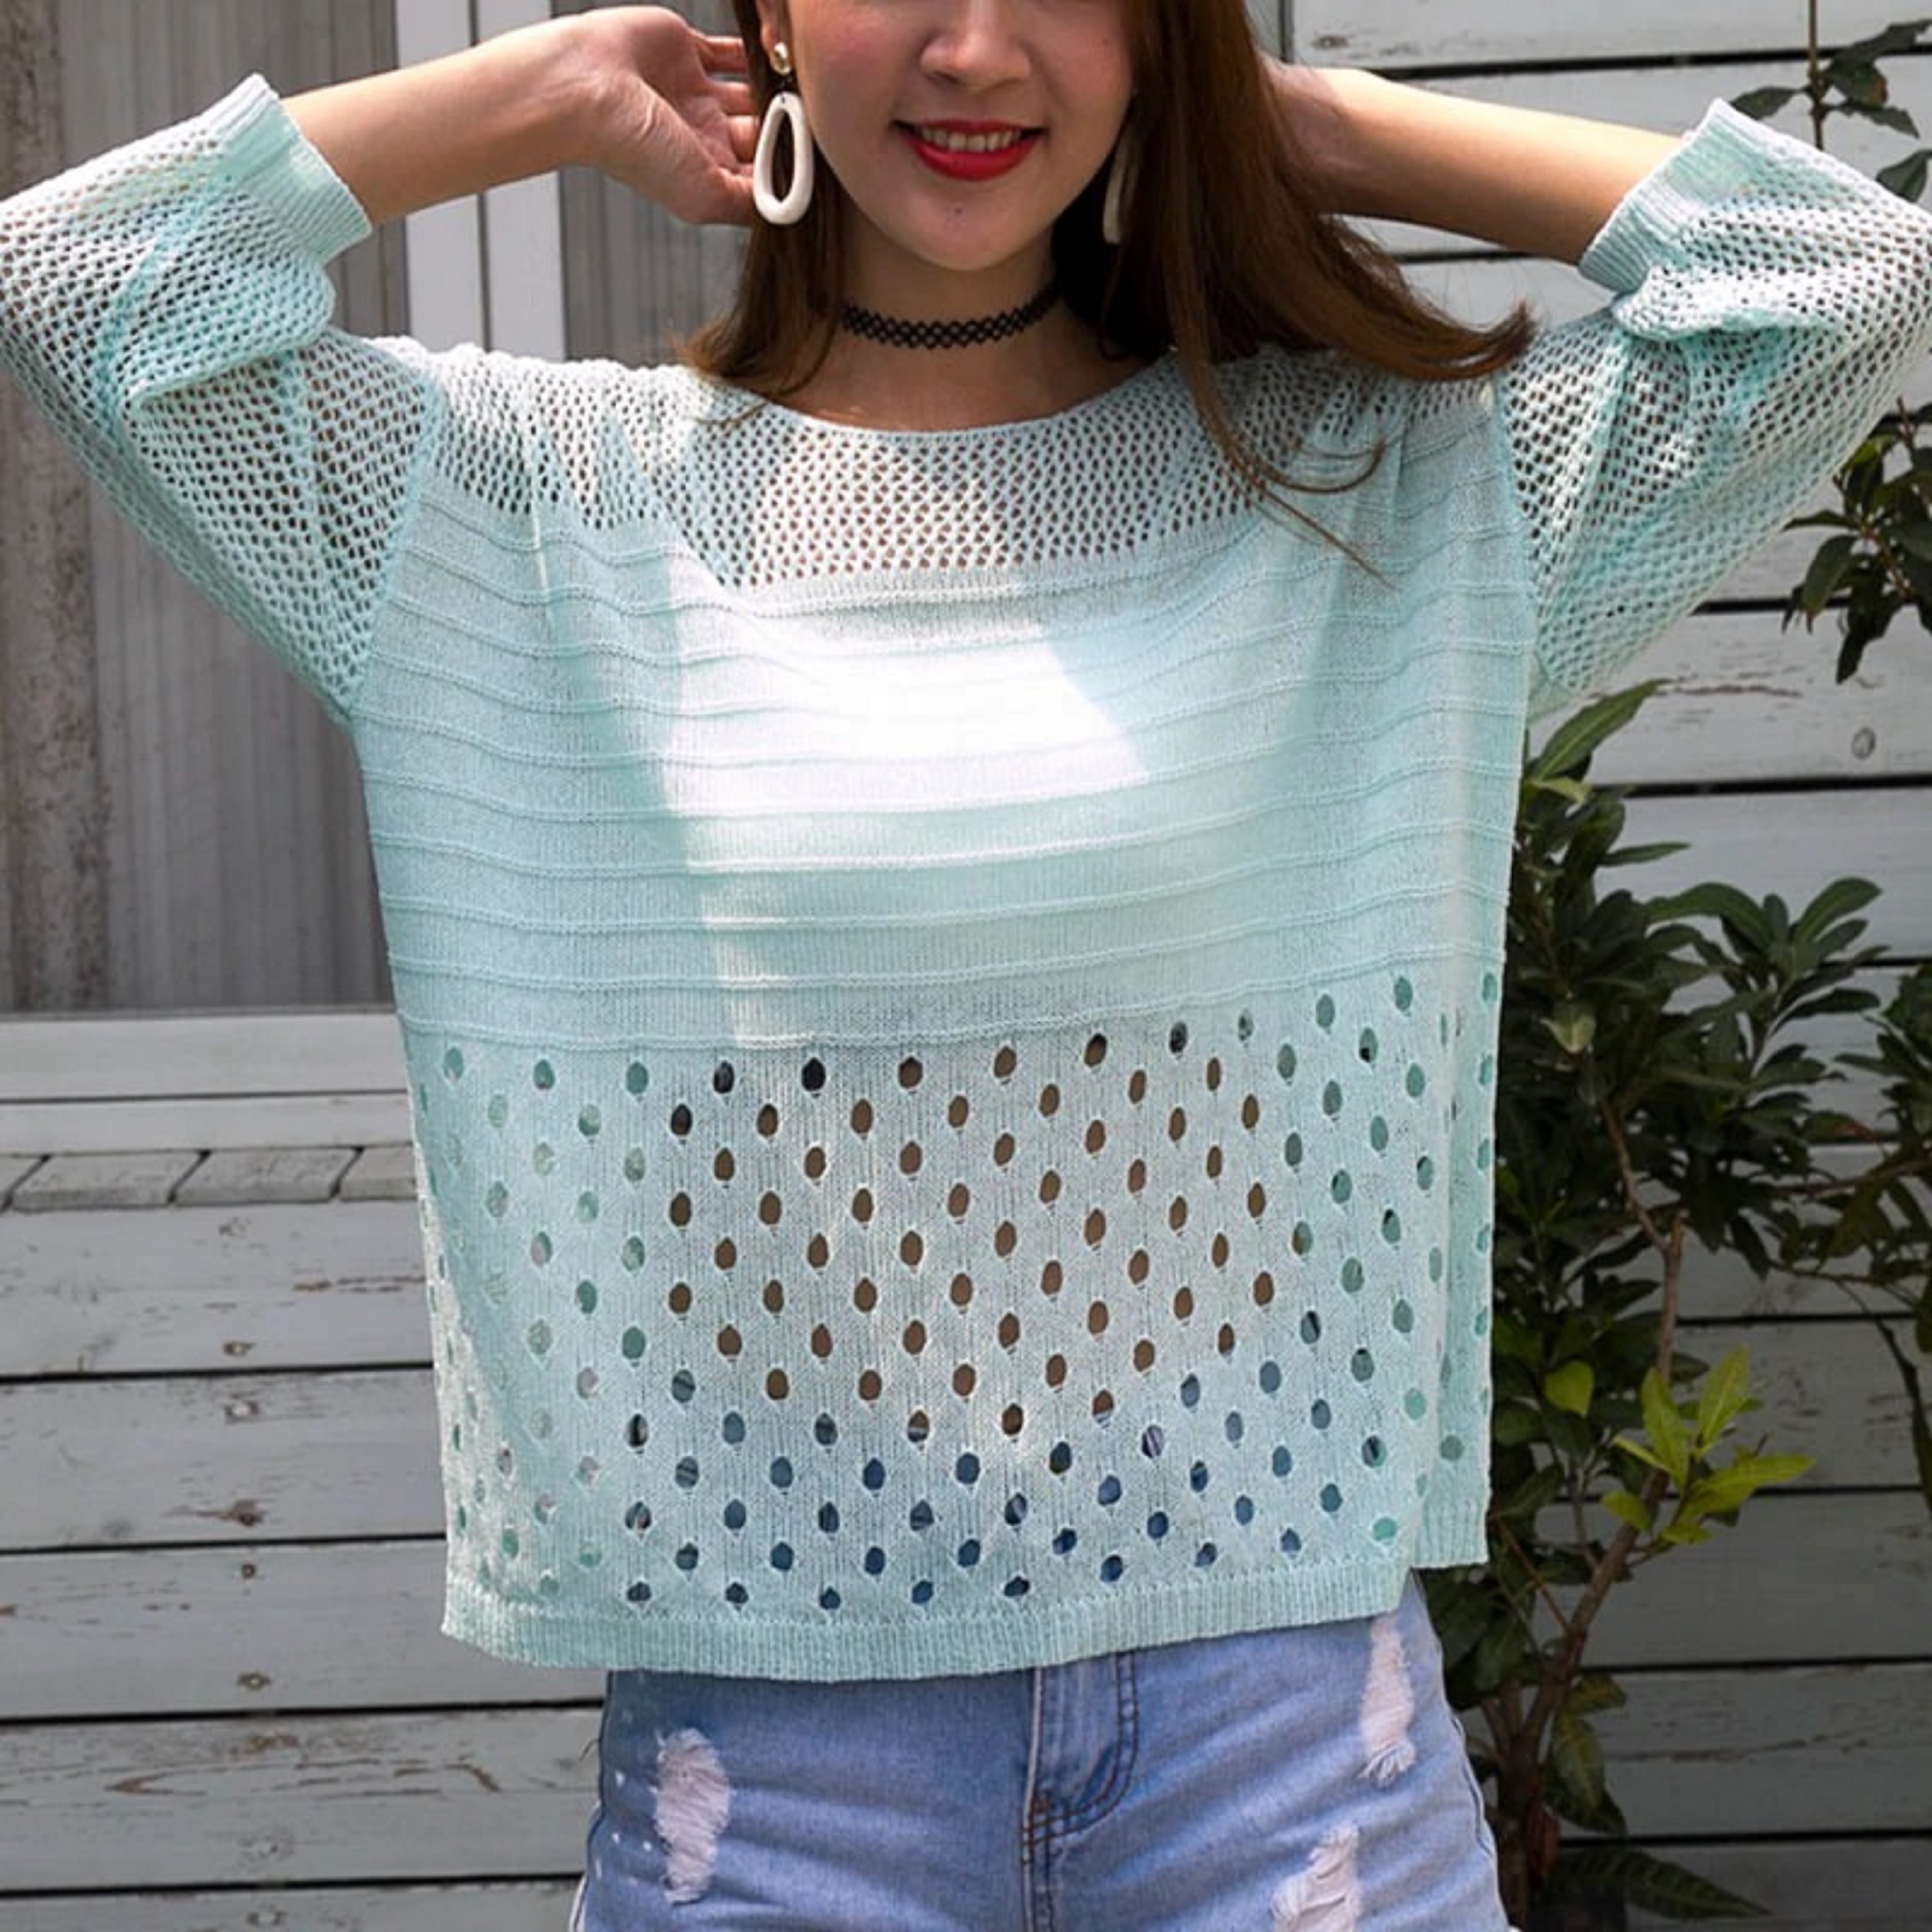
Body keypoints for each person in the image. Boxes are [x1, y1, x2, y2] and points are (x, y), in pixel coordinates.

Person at [3, 3, 1929, 1925]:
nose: (979, 48)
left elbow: (1847, 276)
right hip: (776, 1781)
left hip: (1283, 1750)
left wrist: (1284, 127)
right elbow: (82, 283)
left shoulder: (1372, 497)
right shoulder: (529, 513)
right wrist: (547, 91)